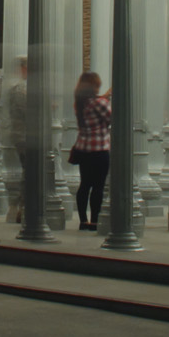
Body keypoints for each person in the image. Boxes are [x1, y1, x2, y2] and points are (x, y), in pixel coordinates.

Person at [70, 71, 111, 231]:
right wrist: (106, 99)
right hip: (99, 148)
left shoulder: (79, 103)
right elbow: (110, 117)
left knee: (85, 185)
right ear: (95, 85)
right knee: (98, 186)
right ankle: (94, 221)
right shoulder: (99, 102)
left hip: (83, 149)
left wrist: (104, 97)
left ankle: (83, 220)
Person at [4, 56, 28, 222]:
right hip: (25, 136)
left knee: (28, 172)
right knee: (29, 172)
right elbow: (28, 110)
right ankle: (18, 208)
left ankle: (19, 208)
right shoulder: (21, 88)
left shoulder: (18, 87)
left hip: (22, 135)